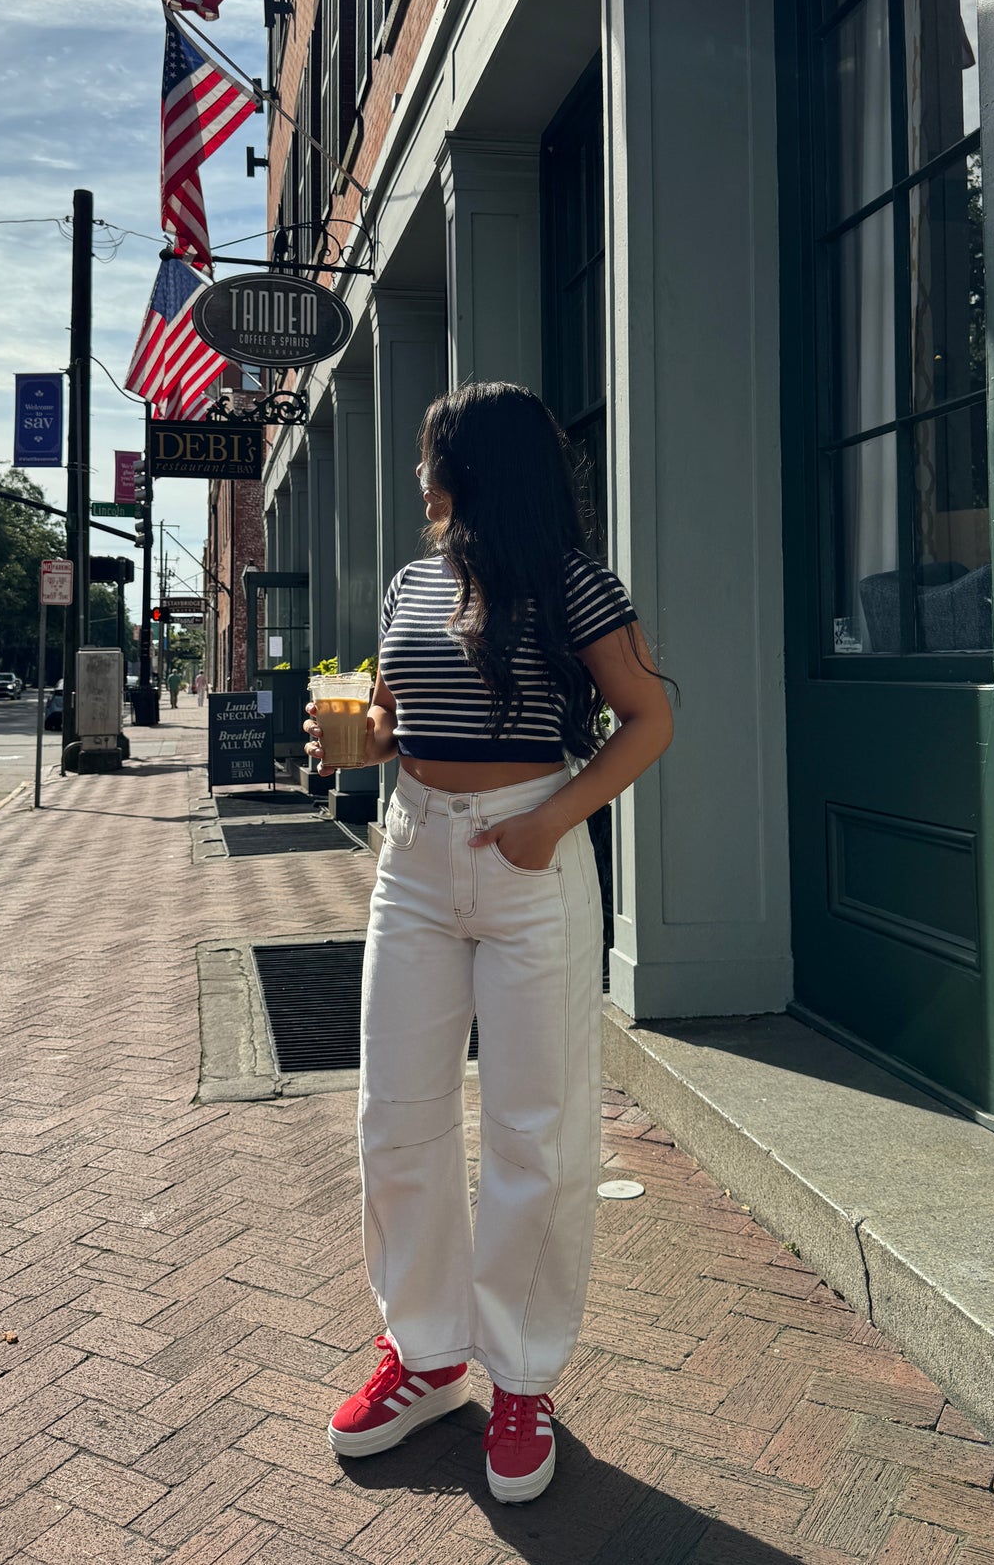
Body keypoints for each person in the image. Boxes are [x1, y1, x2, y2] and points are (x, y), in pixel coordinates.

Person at [304, 381, 674, 1505]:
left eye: (429, 459)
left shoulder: (573, 583)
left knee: (536, 1125)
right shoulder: (412, 584)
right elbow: (392, 720)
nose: (419, 480)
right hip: (413, 856)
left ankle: (522, 1377)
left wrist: (551, 821)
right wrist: (353, 735)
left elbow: (647, 718)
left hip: (530, 854)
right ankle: (424, 1353)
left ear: (470, 469)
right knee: (395, 1113)